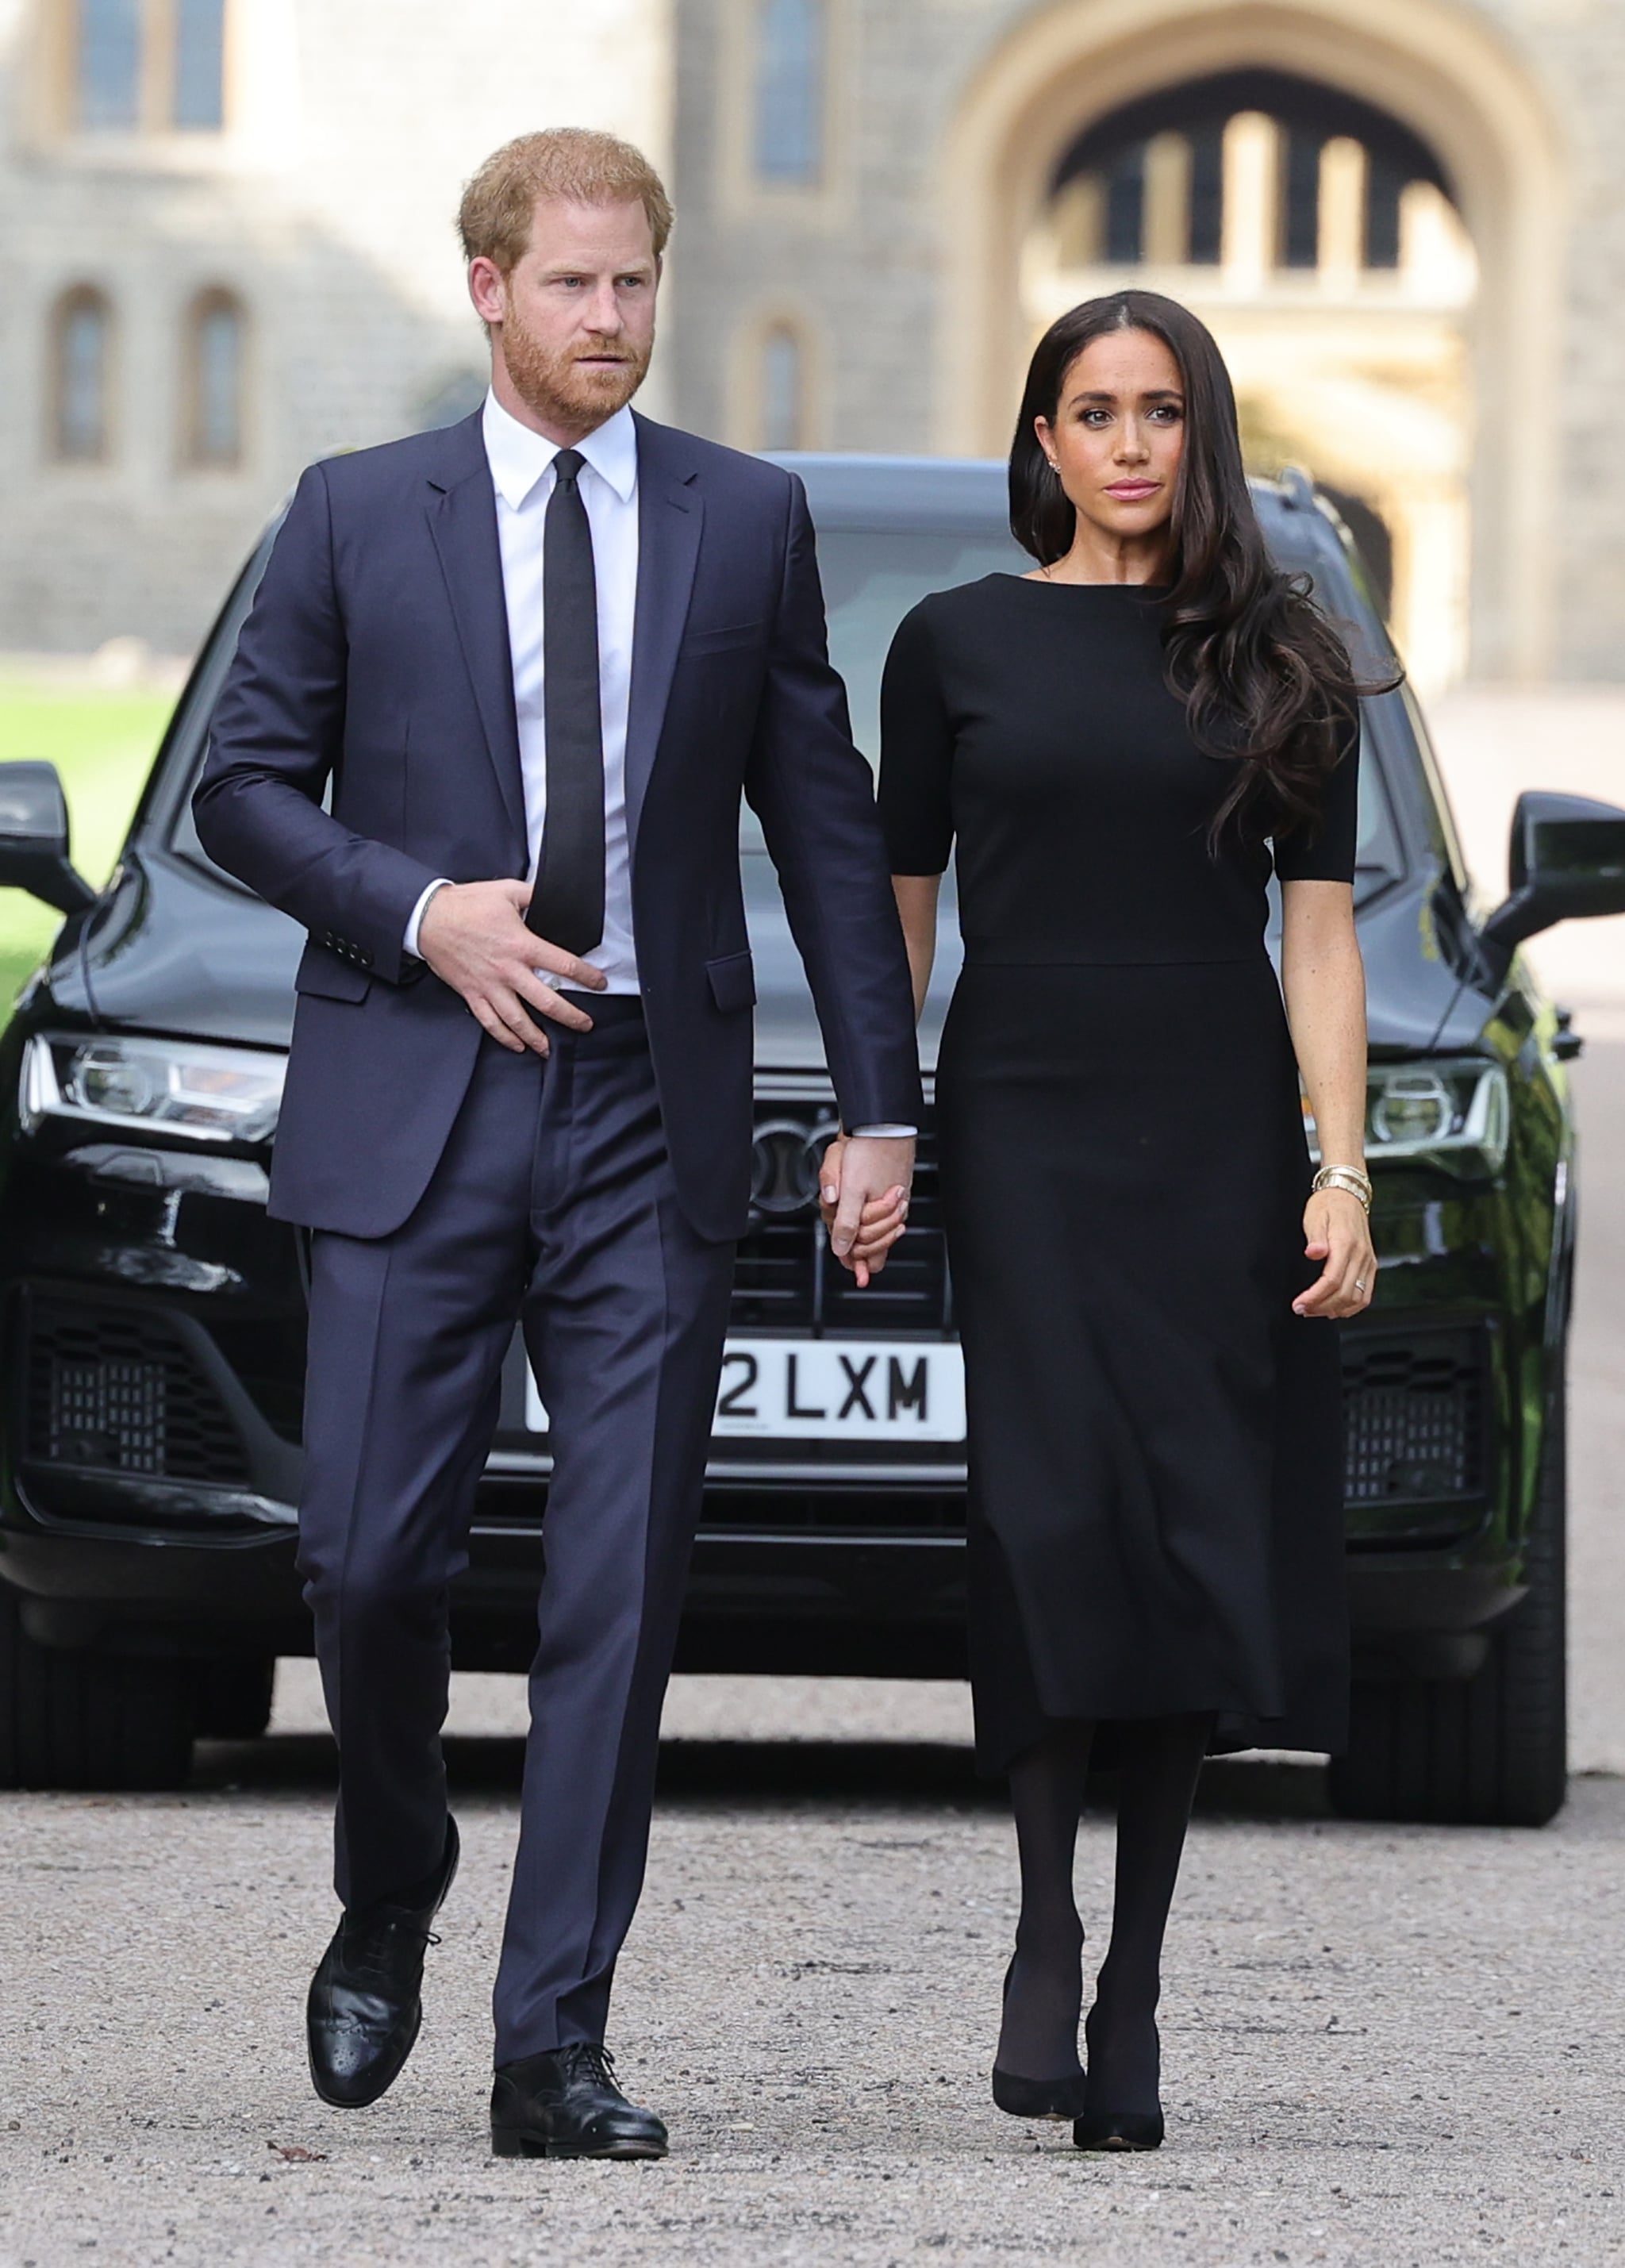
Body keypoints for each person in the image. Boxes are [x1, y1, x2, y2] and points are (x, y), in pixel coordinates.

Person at [194, 128, 920, 2162]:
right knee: (363, 1562)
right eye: (574, 285)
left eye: (637, 286)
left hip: (645, 1113)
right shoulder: (355, 515)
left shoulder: (742, 518)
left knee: (617, 1585)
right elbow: (240, 793)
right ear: (491, 288)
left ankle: (553, 2040)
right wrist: (424, 912)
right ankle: (393, 1872)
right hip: (416, 1097)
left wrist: (881, 1102)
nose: (610, 321)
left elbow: (826, 825)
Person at [851, 287, 1375, 2153]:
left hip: (1213, 1134)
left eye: (1162, 410)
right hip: (1025, 1122)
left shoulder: (1282, 653)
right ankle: (1040, 1916)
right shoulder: (953, 644)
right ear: (1045, 439)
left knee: (1182, 1536)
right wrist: (877, 1125)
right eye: (1096, 410)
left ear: (1197, 432)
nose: (1132, 442)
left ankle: (1133, 1980)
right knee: (1049, 1509)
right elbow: (895, 915)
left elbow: (1319, 940)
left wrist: (1340, 1167)